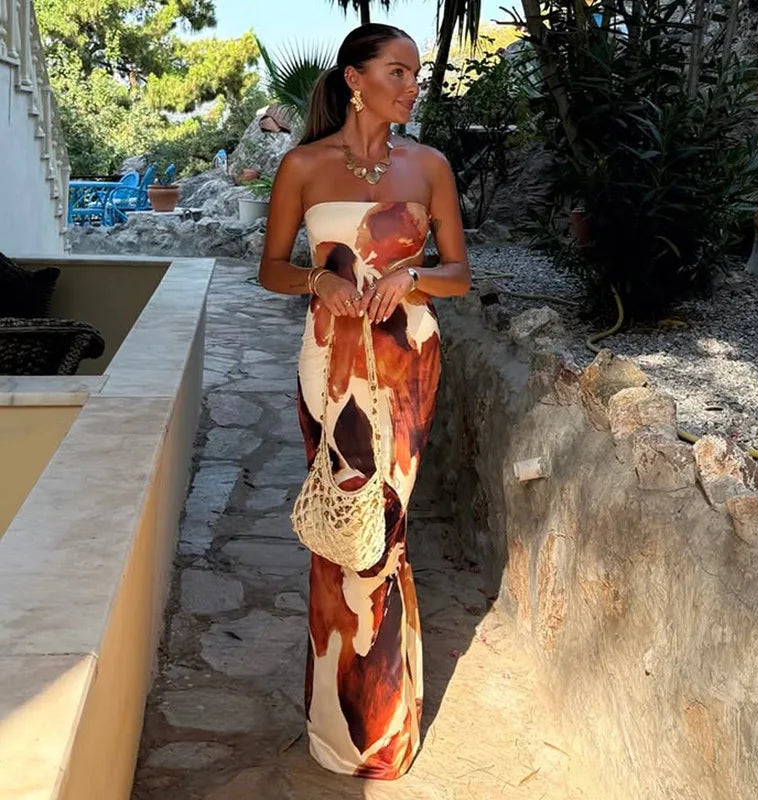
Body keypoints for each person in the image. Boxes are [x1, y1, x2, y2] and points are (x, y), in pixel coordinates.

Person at [258, 22, 471, 780]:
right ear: (355, 79)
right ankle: (336, 724)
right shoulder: (304, 166)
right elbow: (272, 270)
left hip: (409, 361)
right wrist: (318, 280)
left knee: (387, 531)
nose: (414, 85)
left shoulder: (430, 165)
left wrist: (411, 277)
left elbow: (458, 275)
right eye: (398, 71)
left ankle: (384, 726)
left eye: (416, 73)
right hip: (329, 363)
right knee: (339, 527)